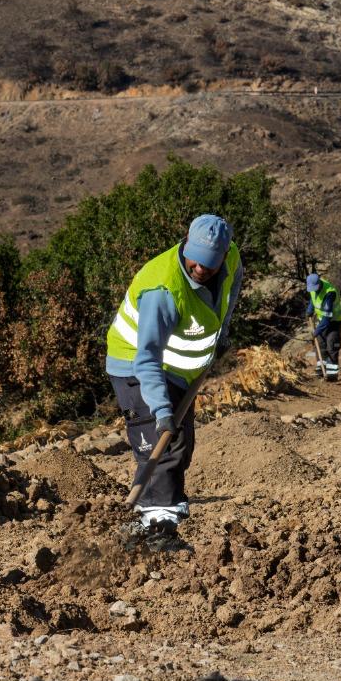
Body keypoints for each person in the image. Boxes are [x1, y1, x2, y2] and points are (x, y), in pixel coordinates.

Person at [104, 214, 243, 550]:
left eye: (209, 265)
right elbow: (146, 357)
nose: (199, 268)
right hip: (136, 367)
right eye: (194, 260)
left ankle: (152, 524)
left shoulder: (232, 256)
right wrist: (161, 408)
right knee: (159, 444)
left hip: (180, 369)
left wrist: (222, 331)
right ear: (185, 242)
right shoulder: (163, 290)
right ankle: (157, 532)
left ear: (224, 254)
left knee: (180, 445)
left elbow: (233, 283)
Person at [305, 272, 341, 380]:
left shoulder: (329, 293)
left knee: (332, 345)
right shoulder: (313, 289)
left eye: (315, 288)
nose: (314, 290)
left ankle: (331, 375)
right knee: (320, 344)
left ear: (319, 283)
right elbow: (313, 298)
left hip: (334, 321)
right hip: (322, 320)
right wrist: (310, 310)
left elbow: (327, 319)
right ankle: (322, 368)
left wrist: (315, 332)